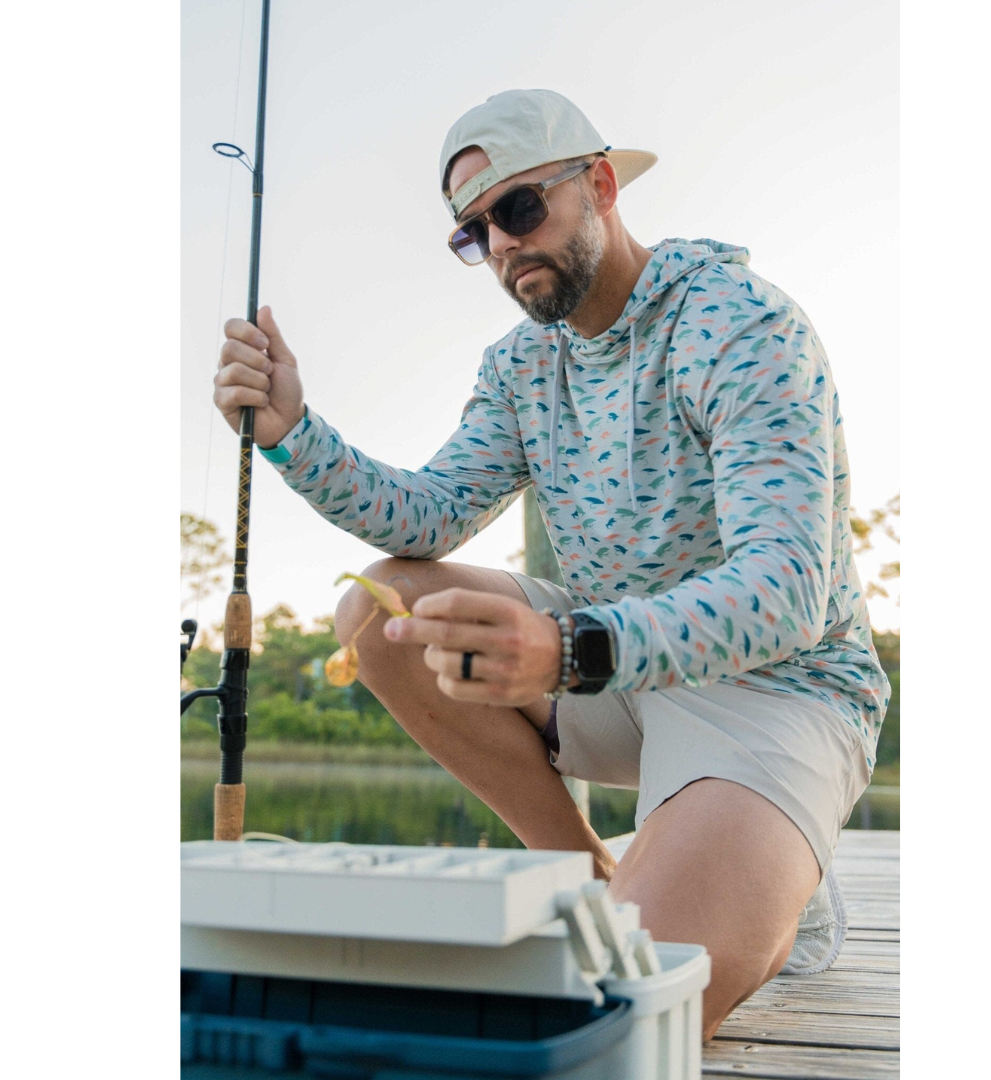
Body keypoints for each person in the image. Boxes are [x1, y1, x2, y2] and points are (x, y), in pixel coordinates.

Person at [213, 88, 889, 1041]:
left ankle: (770, 857)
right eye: (474, 232)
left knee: (611, 1020)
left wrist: (569, 649)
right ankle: (586, 875)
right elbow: (429, 515)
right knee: (381, 610)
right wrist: (293, 433)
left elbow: (785, 594)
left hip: (776, 691)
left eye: (520, 208)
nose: (501, 245)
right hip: (616, 677)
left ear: (601, 186)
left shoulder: (741, 324)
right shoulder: (521, 365)